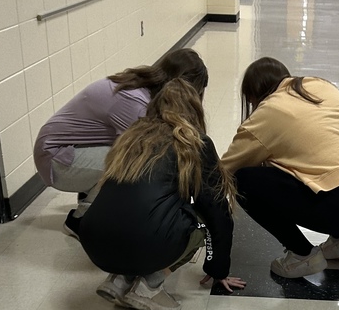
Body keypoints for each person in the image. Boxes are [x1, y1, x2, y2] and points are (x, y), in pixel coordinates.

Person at [78, 78, 245, 310]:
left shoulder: (130, 137)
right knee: (198, 219)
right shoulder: (194, 142)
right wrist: (219, 269)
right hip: (142, 243)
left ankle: (118, 279)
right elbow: (216, 210)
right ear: (195, 109)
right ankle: (149, 286)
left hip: (94, 241)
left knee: (136, 211)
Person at [221, 57, 339, 278]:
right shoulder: (321, 85)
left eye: (251, 102)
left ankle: (302, 255)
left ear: (254, 95)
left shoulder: (267, 113)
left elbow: (224, 171)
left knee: (243, 180)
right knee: (317, 166)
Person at [33, 49, 208, 238]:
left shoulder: (143, 87)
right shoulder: (134, 102)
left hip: (70, 151)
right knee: (134, 163)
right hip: (55, 159)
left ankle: (90, 194)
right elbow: (151, 155)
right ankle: (79, 220)